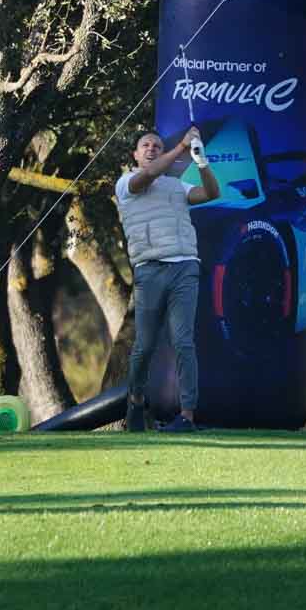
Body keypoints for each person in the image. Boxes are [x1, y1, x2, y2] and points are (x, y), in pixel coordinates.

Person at [114, 125, 220, 432]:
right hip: (150, 270)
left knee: (184, 342)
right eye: (146, 146)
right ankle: (135, 400)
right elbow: (148, 176)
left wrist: (201, 161)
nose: (151, 149)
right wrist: (180, 148)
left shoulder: (177, 186)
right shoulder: (125, 183)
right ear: (135, 154)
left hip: (184, 266)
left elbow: (212, 193)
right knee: (145, 345)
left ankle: (187, 416)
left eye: (157, 146)